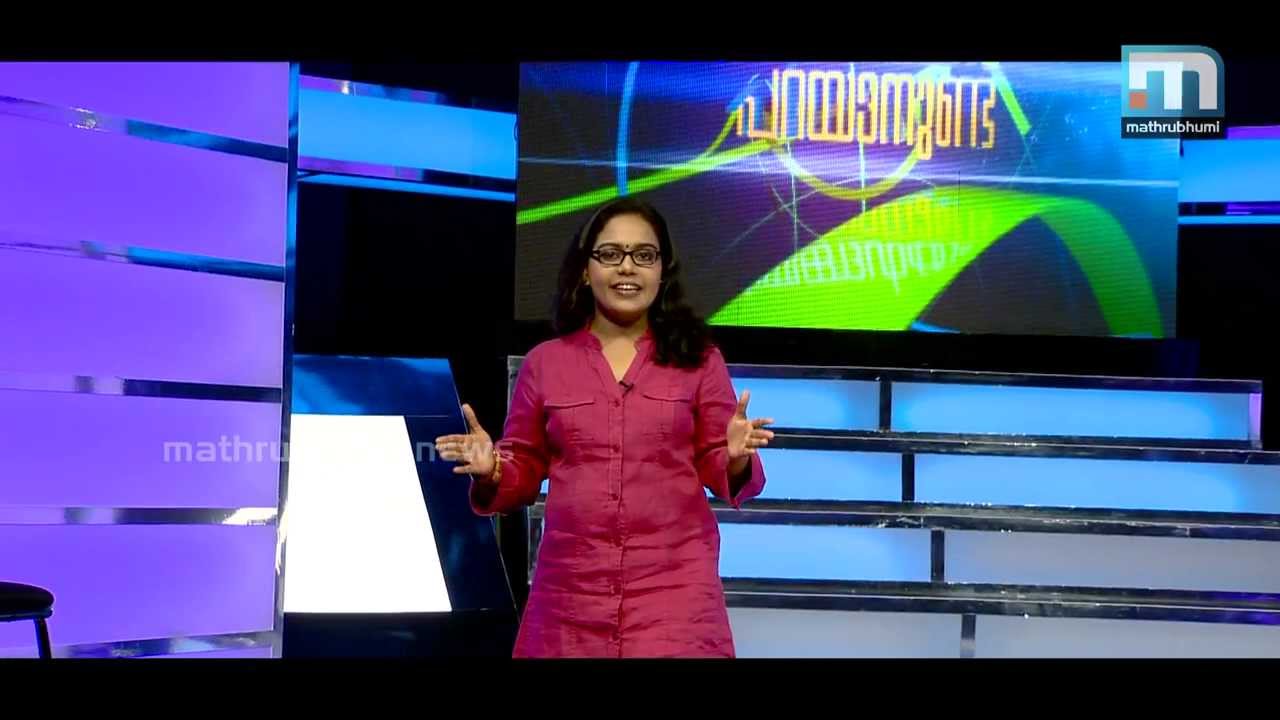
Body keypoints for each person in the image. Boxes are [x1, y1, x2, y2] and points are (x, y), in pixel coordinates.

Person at [434, 197, 774, 658]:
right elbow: (524, 466)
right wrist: (493, 467)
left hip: (674, 600)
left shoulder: (699, 360)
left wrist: (734, 457)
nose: (627, 268)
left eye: (644, 255)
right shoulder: (545, 363)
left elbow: (722, 466)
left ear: (662, 270)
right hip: (569, 600)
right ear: (584, 269)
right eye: (611, 254)